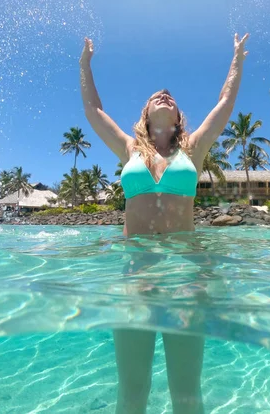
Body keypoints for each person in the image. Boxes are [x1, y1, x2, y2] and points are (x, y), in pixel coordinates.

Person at [79, 32, 249, 414]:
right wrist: (85, 64)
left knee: (186, 394)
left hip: (186, 273)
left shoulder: (194, 148)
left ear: (177, 118)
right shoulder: (129, 148)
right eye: (157, 94)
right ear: (145, 114)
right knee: (132, 393)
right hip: (134, 272)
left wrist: (237, 57)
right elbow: (93, 111)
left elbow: (224, 102)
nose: (165, 94)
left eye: (170, 97)